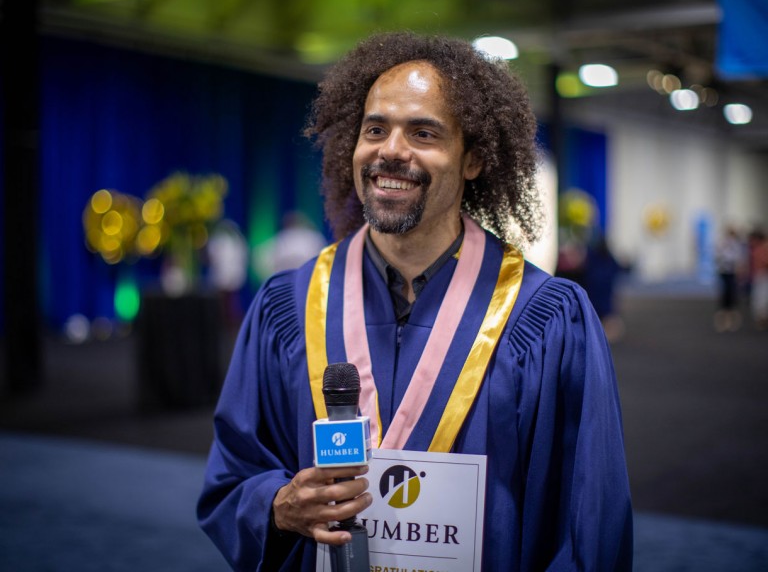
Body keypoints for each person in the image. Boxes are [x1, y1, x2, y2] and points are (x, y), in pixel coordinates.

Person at [197, 32, 633, 571]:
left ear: (472, 160)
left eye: (423, 133)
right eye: (375, 129)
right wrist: (277, 505)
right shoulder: (286, 306)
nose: (391, 151)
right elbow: (231, 478)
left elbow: (587, 521)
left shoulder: (544, 318)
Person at [713, 226, 746, 332]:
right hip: (724, 272)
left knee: (732, 296)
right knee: (724, 296)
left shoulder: (736, 245)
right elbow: (718, 256)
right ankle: (724, 322)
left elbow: (738, 259)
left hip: (731, 272)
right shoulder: (722, 244)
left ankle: (730, 321)